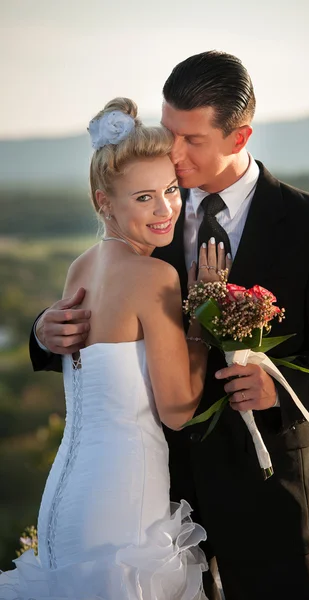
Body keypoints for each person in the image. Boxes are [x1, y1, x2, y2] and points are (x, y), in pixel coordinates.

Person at [29, 52, 309, 600]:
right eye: (169, 132)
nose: (173, 151)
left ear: (239, 138)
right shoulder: (148, 205)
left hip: (267, 493)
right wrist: (44, 333)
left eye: (192, 140)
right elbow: (105, 314)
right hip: (155, 498)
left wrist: (279, 387)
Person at [0, 97, 232, 599]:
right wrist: (203, 316)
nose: (166, 208)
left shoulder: (80, 268)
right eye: (144, 197)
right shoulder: (156, 276)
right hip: (123, 495)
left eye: (170, 190)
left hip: (68, 493)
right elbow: (176, 410)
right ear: (105, 202)